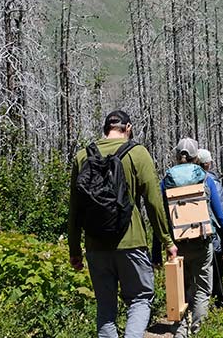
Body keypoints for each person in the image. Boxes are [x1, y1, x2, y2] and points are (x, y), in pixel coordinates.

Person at [68, 110, 178, 338]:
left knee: (105, 309)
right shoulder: (138, 154)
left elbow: (75, 209)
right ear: (128, 128)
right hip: (132, 242)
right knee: (140, 299)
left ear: (105, 129)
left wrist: (74, 250)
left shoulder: (82, 157)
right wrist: (167, 241)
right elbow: (153, 203)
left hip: (95, 245)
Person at [162, 138, 223, 338]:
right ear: (196, 158)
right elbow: (219, 216)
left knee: (180, 289)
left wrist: (157, 249)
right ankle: (199, 331)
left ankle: (180, 331)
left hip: (176, 244)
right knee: (202, 289)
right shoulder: (206, 178)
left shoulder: (166, 180)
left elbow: (161, 216)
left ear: (177, 156)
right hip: (202, 243)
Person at [197, 148, 223, 308]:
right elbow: (222, 214)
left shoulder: (187, 181)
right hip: (214, 238)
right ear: (208, 164)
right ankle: (218, 308)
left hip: (191, 238)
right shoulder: (213, 182)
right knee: (217, 277)